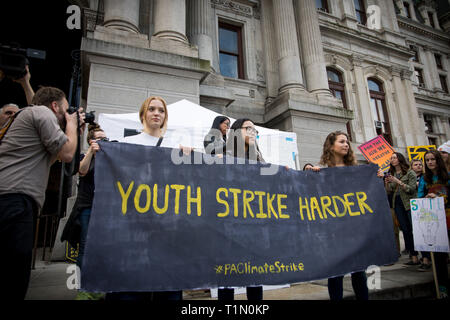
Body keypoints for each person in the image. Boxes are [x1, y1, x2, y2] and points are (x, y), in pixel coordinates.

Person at [0, 86, 83, 300]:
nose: (67, 115)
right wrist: (72, 125)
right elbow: (66, 153)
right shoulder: (42, 112)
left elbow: (53, 157)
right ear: (55, 106)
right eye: (66, 110)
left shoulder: (28, 117)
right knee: (14, 272)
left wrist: (73, 130)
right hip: (14, 199)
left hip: (12, 197)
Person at [109, 96, 183, 301]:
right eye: (152, 109)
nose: (156, 113)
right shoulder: (127, 144)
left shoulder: (174, 147)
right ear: (143, 114)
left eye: (161, 110)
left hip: (166, 227)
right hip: (134, 228)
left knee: (166, 287)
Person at [314, 131, 369, 301]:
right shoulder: (322, 172)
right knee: (335, 273)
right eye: (342, 141)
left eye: (347, 142)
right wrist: (311, 174)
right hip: (334, 231)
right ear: (331, 146)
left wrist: (375, 178)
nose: (346, 144)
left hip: (355, 228)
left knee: (359, 272)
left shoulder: (356, 171)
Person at [217, 118, 264, 301]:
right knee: (227, 278)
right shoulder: (222, 156)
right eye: (248, 129)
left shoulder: (260, 160)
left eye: (255, 130)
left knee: (254, 277)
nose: (252, 132)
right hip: (229, 228)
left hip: (254, 227)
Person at [61, 123, 107, 300]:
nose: (103, 142)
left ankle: (98, 286)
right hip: (88, 207)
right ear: (90, 141)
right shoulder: (84, 156)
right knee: (86, 249)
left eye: (105, 139)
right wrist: (91, 152)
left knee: (102, 249)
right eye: (99, 139)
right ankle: (83, 288)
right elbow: (81, 170)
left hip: (104, 209)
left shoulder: (108, 158)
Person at [417, 150, 449, 297]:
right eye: (427, 160)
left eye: (433, 159)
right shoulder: (424, 178)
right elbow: (419, 197)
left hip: (448, 217)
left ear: (438, 160)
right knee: (438, 257)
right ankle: (442, 288)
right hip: (434, 221)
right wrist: (426, 198)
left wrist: (440, 196)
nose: (430, 162)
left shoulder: (447, 175)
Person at [379, 153, 418, 266]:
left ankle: (422, 256)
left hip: (409, 203)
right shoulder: (392, 174)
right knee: (405, 230)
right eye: (391, 158)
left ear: (400, 159)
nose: (392, 159)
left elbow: (411, 189)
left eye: (394, 157)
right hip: (397, 204)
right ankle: (413, 255)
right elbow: (389, 191)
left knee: (413, 229)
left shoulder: (410, 173)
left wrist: (398, 181)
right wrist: (387, 184)